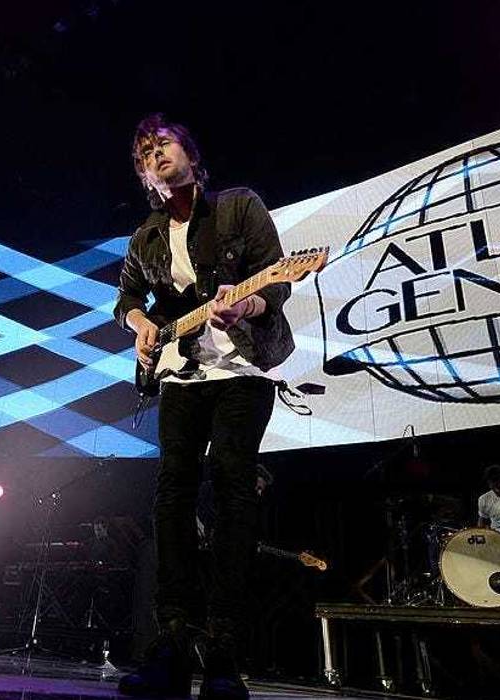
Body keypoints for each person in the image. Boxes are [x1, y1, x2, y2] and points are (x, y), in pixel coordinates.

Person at [113, 114, 294, 700]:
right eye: (146, 154)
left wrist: (245, 308)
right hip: (180, 378)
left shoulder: (239, 207)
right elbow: (125, 301)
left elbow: (278, 282)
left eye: (164, 144)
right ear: (144, 177)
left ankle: (222, 650)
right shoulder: (144, 238)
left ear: (189, 152)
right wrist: (142, 324)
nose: (156, 154)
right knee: (171, 494)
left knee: (233, 485)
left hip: (240, 370)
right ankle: (170, 642)